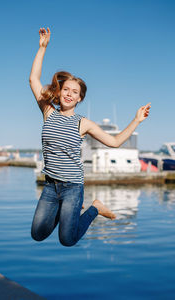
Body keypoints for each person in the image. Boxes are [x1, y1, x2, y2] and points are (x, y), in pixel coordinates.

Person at [29, 27, 151, 247]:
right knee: (37, 233)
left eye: (74, 92)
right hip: (50, 186)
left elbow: (115, 142)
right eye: (66, 89)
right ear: (59, 92)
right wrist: (42, 48)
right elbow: (33, 80)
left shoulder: (82, 123)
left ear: (79, 98)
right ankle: (69, 211)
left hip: (73, 186)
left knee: (67, 239)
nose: (69, 94)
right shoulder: (48, 112)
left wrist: (136, 120)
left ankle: (94, 208)